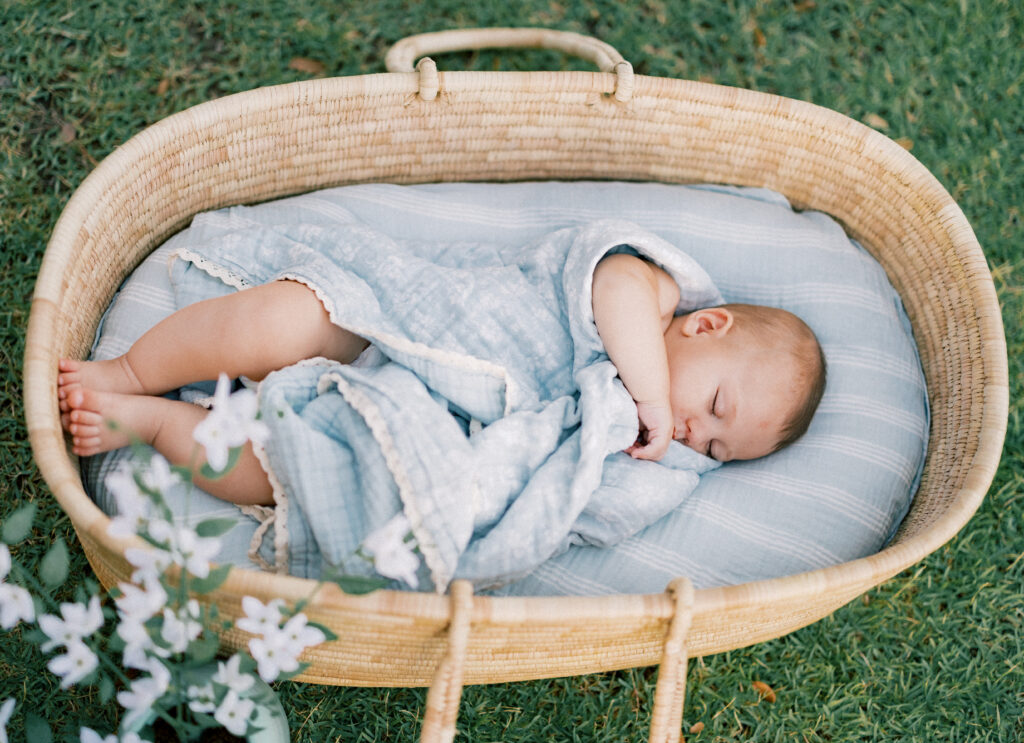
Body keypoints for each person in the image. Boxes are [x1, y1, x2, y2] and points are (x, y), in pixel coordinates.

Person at [57, 252, 826, 506]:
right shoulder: (654, 297)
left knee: (286, 470)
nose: (696, 433)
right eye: (714, 406)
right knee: (286, 321)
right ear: (708, 325)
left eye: (718, 450)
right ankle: (130, 368)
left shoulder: (636, 444)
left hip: (411, 422)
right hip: (401, 330)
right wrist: (654, 394)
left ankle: (153, 424)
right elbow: (613, 284)